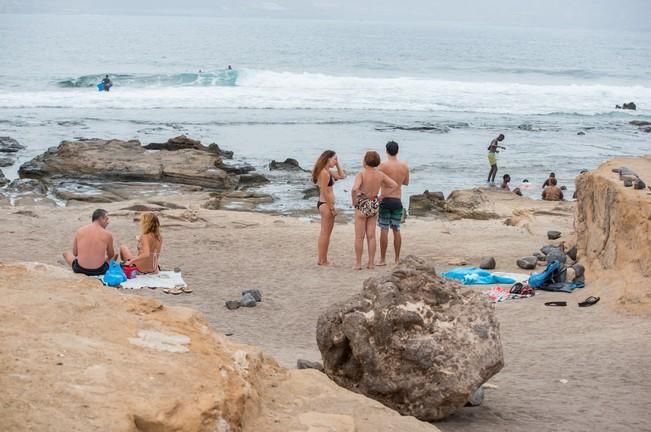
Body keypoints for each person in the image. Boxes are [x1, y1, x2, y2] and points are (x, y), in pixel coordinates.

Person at [351, 151, 398, 270]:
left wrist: (354, 202)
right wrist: (382, 195)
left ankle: (358, 263)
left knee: (359, 237)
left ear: (365, 161)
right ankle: (371, 263)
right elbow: (394, 185)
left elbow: (354, 189)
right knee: (371, 236)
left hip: (362, 204)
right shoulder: (380, 174)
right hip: (374, 204)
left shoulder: (361, 174)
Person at [377, 140, 409, 266]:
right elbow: (406, 182)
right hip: (397, 199)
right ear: (397, 151)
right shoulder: (404, 166)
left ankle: (383, 259)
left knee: (384, 228)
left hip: (385, 198)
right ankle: (397, 259)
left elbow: (377, 180)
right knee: (396, 229)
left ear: (386, 151)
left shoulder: (382, 165)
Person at [312, 150, 345, 266]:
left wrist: (337, 164)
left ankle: (322, 259)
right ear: (328, 159)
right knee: (325, 234)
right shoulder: (325, 173)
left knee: (325, 233)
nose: (336, 161)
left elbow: (342, 176)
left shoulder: (327, 171)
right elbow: (324, 191)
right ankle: (322, 260)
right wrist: (331, 208)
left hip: (325, 204)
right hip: (326, 204)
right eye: (334, 158)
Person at [62, 209, 115, 276]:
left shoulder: (80, 230)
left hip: (79, 269)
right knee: (115, 255)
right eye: (107, 219)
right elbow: (111, 255)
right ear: (101, 218)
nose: (108, 222)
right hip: (99, 271)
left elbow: (75, 253)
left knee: (66, 253)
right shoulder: (108, 234)